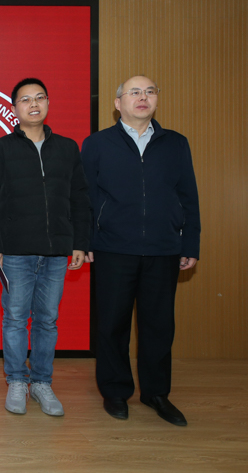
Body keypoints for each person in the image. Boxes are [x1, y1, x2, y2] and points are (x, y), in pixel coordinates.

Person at [81, 75, 200, 426]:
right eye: (134, 92)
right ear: (118, 103)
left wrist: (190, 242)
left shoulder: (175, 144)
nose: (143, 97)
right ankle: (115, 391)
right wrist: (85, 240)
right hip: (113, 248)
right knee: (112, 324)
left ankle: (156, 393)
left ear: (156, 100)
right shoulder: (97, 143)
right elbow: (85, 198)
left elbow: (188, 196)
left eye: (149, 91)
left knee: (159, 326)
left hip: (164, 249)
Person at [0, 78, 90, 417]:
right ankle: (16, 381)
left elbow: (79, 198)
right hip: (14, 251)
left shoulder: (67, 148)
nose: (34, 104)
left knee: (47, 320)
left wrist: (80, 243)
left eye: (40, 97)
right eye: (25, 99)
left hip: (56, 251)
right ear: (15, 108)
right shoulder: (0, 149)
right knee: (15, 318)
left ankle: (41, 382)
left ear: (48, 103)